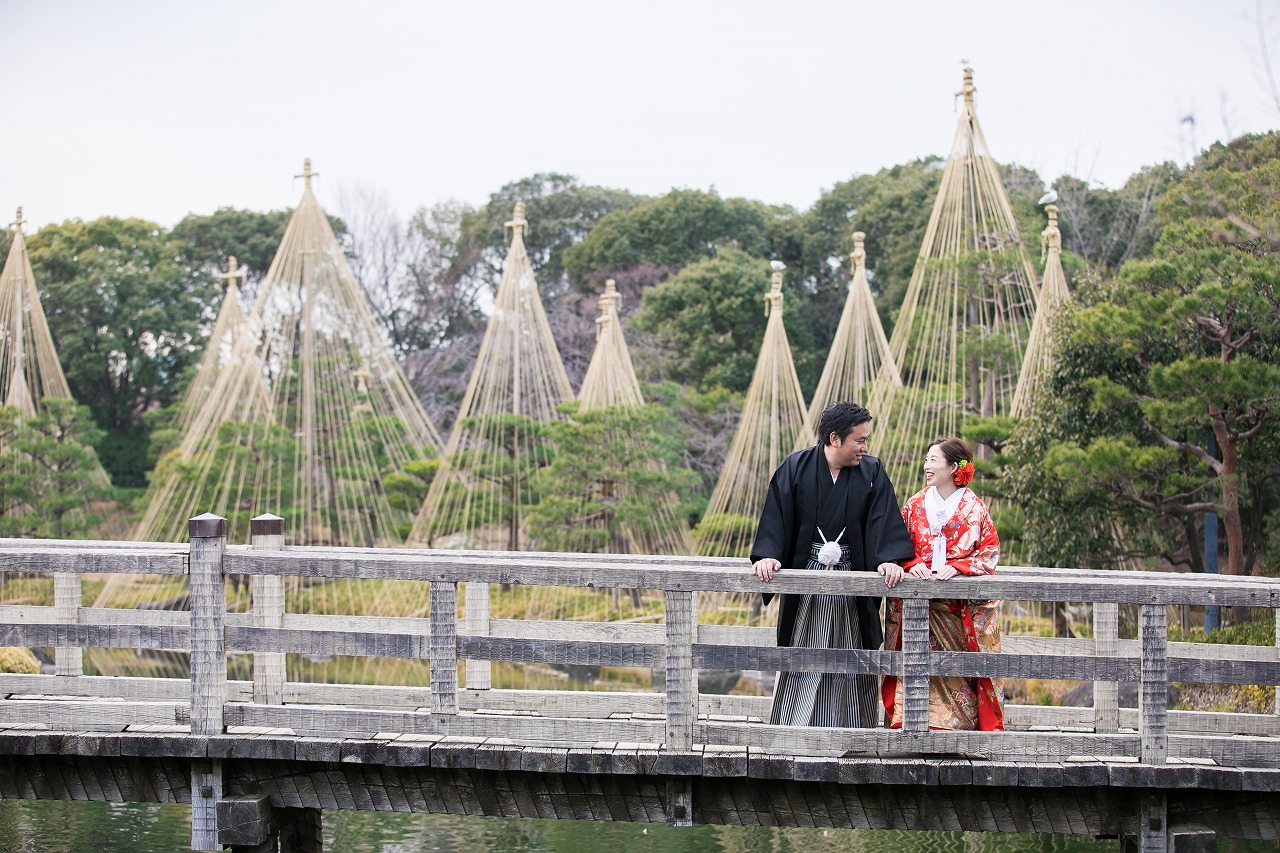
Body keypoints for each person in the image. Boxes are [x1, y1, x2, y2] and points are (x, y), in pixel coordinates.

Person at [751, 401, 915, 727]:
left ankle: (853, 728)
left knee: (852, 654)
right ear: (834, 438)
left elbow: (882, 520)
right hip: (808, 577)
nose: (865, 447)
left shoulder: (872, 472)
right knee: (804, 651)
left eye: (866, 440)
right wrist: (769, 553)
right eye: (859, 440)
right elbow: (776, 517)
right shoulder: (795, 467)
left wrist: (888, 559)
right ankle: (796, 727)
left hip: (852, 579)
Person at [881, 437, 1004, 731]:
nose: (926, 466)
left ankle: (958, 728)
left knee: (958, 668)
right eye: (926, 460)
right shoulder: (914, 504)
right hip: (919, 606)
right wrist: (911, 563)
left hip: (958, 611)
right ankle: (911, 724)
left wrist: (960, 567)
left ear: (953, 467)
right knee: (914, 663)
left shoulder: (974, 508)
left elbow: (989, 552)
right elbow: (897, 545)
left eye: (933, 460)